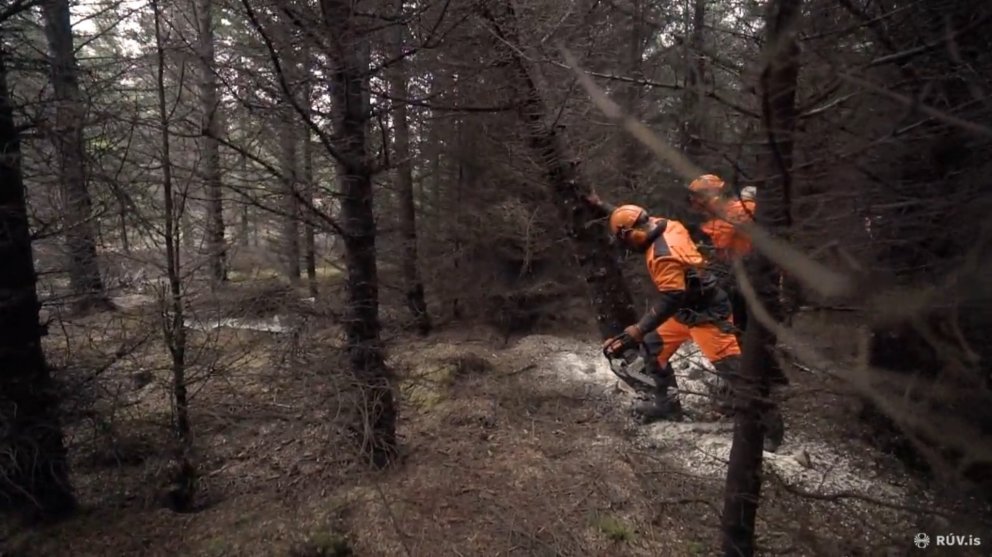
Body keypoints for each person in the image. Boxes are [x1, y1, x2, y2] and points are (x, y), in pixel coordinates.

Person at [585, 193, 743, 423]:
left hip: (707, 314)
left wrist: (639, 329)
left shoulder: (662, 256)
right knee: (653, 348)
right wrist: (602, 206)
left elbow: (671, 297)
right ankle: (667, 405)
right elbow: (633, 218)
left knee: (733, 371)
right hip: (685, 310)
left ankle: (767, 428)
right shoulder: (667, 225)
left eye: (626, 240)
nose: (629, 246)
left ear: (633, 235)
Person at [686, 175, 756, 334]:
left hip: (750, 273)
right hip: (733, 277)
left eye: (698, 197)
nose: (695, 202)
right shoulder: (711, 220)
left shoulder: (742, 209)